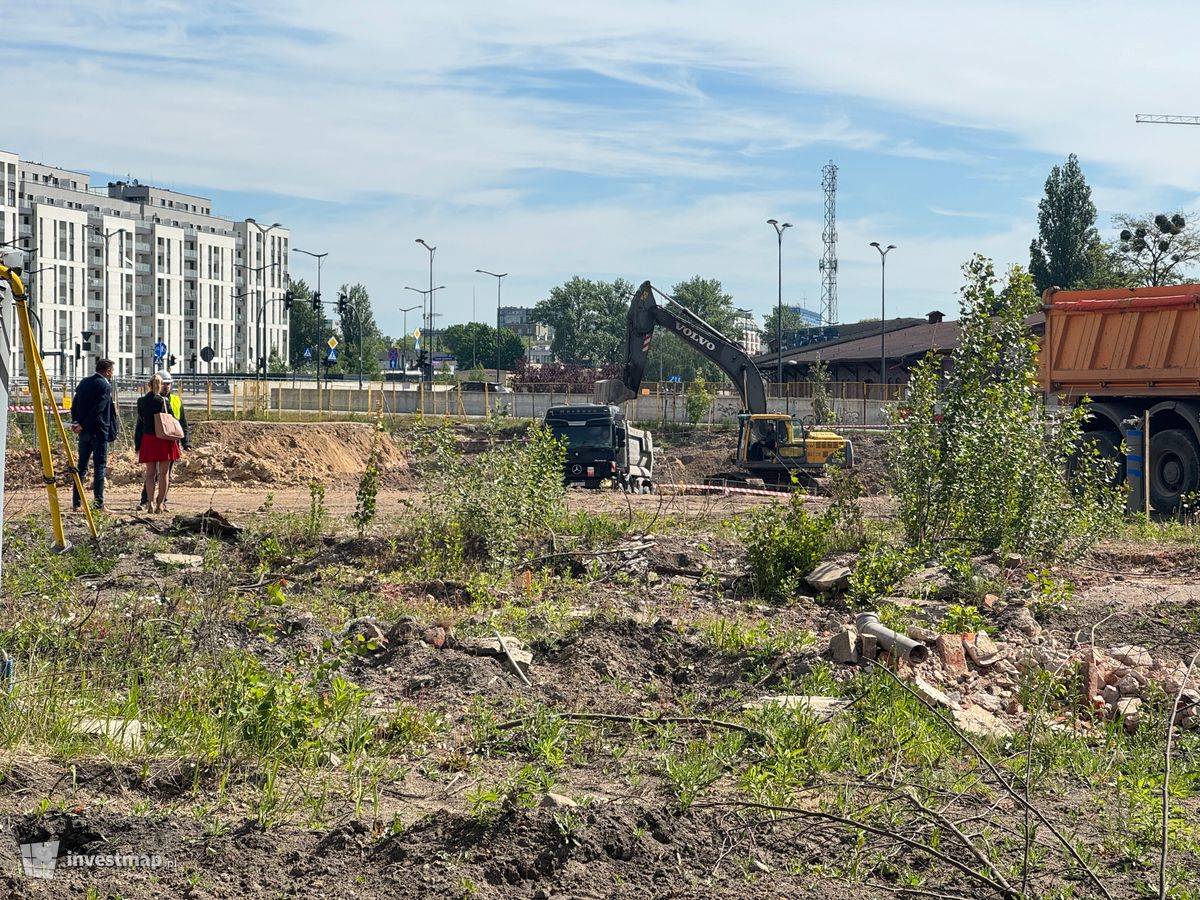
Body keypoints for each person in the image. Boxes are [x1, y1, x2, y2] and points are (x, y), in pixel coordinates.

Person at [135, 371, 189, 511]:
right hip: (164, 439)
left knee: (150, 474)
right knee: (164, 474)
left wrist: (137, 444)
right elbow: (171, 419)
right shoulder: (164, 401)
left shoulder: (140, 402)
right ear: (160, 386)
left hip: (148, 439)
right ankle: (160, 504)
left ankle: (150, 503)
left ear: (148, 385)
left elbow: (140, 422)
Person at [70, 358, 117, 510]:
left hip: (84, 432)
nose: (112, 374)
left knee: (81, 467)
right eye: (112, 371)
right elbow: (99, 408)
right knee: (99, 467)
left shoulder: (84, 382)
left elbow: (75, 404)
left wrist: (76, 422)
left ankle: (76, 503)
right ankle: (98, 503)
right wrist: (82, 423)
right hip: (98, 431)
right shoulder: (105, 385)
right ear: (108, 371)